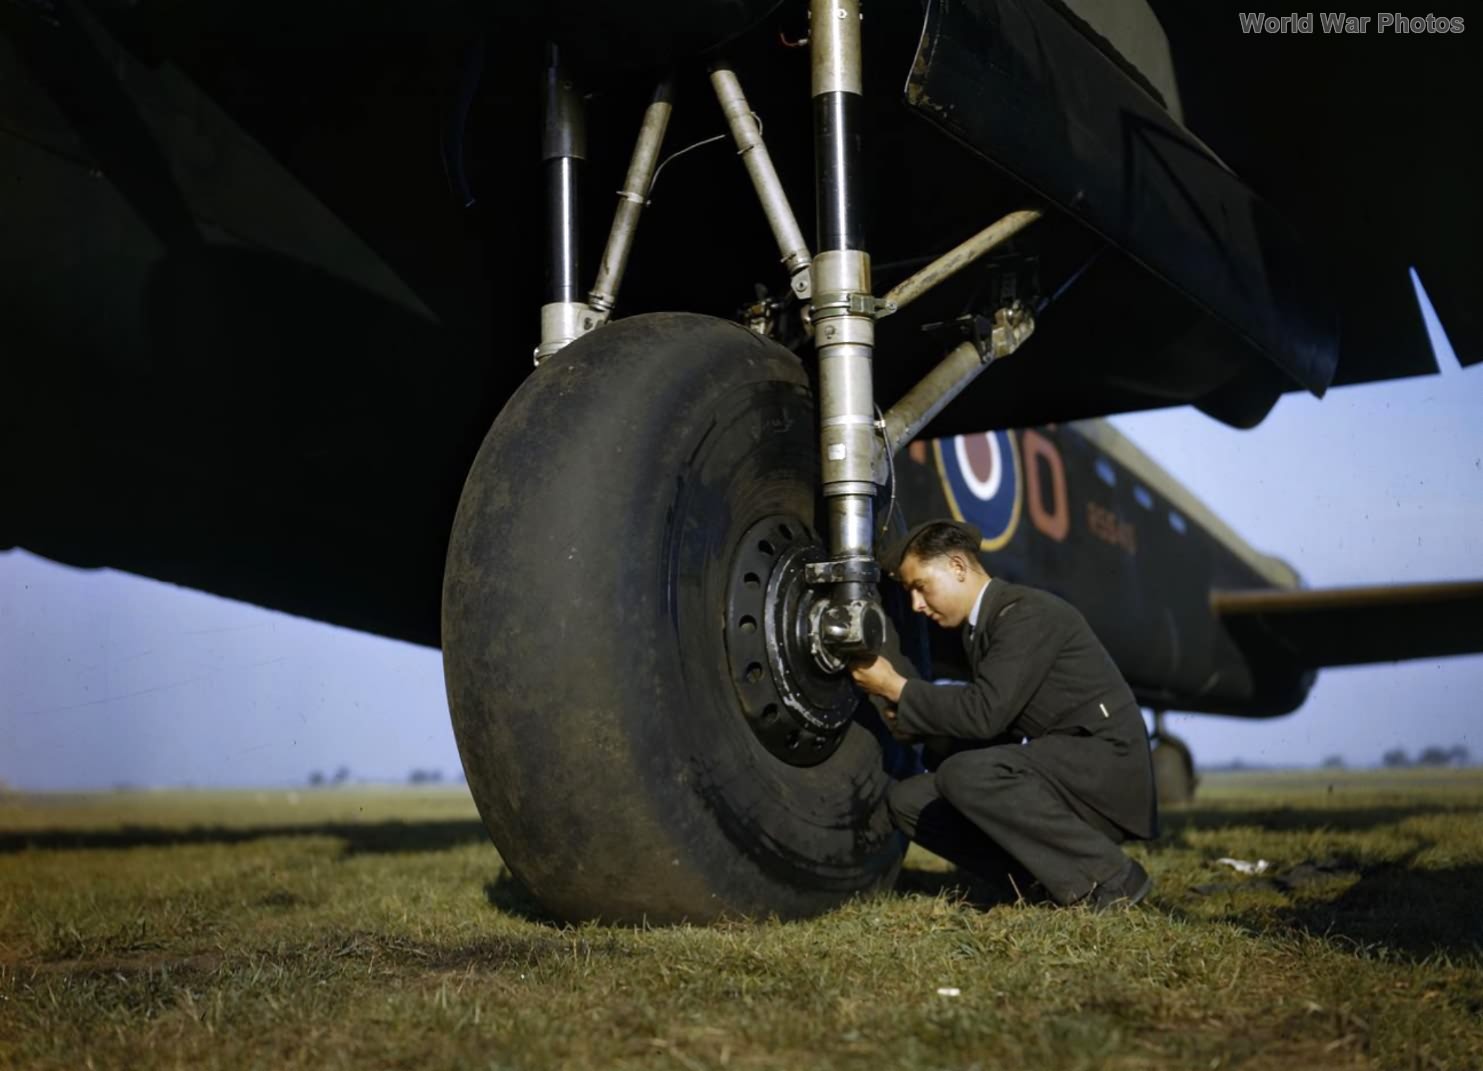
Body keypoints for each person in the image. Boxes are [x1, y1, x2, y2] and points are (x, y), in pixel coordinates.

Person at [851, 519, 1158, 909]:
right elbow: (994, 736)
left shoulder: (1024, 613)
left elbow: (985, 714)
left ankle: (1114, 878)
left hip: (1103, 771)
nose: (916, 605)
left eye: (920, 587)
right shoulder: (982, 628)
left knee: (966, 774)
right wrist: (919, 729)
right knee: (911, 800)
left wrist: (895, 687)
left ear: (958, 567)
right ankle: (1041, 885)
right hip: (1064, 768)